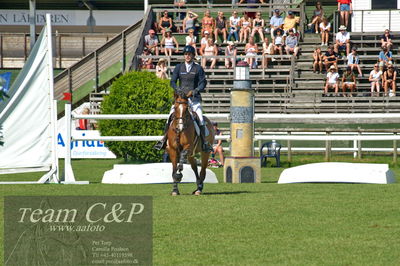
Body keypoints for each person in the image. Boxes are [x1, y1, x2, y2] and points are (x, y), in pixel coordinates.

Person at [154, 45, 213, 152]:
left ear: (193, 55)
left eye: (189, 54)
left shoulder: (198, 68)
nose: (187, 56)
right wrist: (177, 89)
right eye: (186, 54)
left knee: (200, 118)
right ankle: (163, 140)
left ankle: (204, 142)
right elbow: (172, 81)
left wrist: (195, 91)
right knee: (170, 117)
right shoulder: (178, 67)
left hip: (193, 99)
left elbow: (203, 83)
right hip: (181, 100)